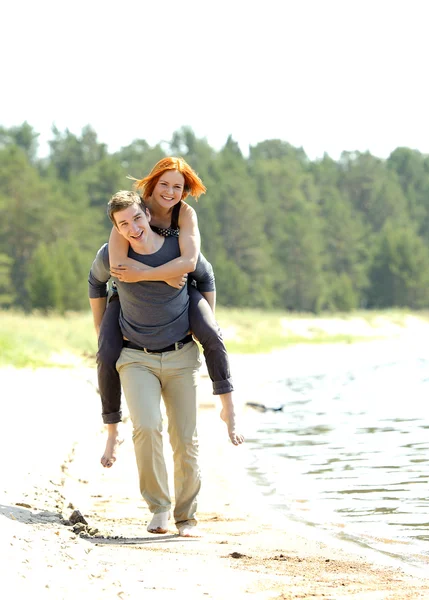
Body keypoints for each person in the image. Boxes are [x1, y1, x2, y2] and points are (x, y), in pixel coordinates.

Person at [97, 157, 244, 469]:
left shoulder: (185, 214)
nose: (169, 191)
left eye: (178, 186)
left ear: (185, 190)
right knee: (107, 350)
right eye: (164, 183)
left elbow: (192, 264)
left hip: (182, 288)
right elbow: (119, 268)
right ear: (153, 183)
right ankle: (112, 430)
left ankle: (228, 407)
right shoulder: (133, 209)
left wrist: (201, 320)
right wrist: (162, 274)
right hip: (127, 295)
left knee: (213, 334)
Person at [89, 190, 216, 537]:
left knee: (185, 439)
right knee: (146, 428)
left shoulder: (179, 248)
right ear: (116, 228)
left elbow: (205, 276)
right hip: (135, 357)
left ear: (147, 213)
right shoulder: (113, 255)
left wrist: (204, 317)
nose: (133, 228)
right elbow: (95, 281)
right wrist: (101, 328)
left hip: (181, 356)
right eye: (123, 224)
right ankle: (159, 508)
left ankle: (186, 517)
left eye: (137, 218)